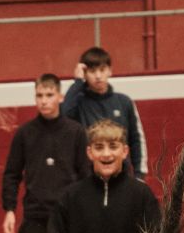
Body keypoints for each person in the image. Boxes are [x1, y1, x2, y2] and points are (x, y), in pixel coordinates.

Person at [1, 73, 88, 233]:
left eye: (49, 95)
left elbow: (85, 176)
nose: (44, 100)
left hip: (69, 219)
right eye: (39, 95)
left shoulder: (76, 132)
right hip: (35, 217)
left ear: (60, 97)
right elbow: (11, 173)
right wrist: (9, 209)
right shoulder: (25, 134)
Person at [61, 46, 148, 179]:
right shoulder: (78, 103)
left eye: (102, 70)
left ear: (110, 71)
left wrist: (139, 175)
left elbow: (136, 139)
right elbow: (63, 116)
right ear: (84, 74)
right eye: (92, 71)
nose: (98, 76)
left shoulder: (124, 102)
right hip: (87, 177)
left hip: (121, 176)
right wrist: (78, 82)